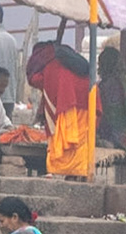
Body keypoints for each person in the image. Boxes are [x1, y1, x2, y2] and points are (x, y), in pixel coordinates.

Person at [26, 40, 94, 179]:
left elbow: (36, 80)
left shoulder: (45, 62)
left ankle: (60, 172)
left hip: (67, 101)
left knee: (63, 138)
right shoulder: (67, 56)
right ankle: (78, 172)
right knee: (80, 139)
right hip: (87, 100)